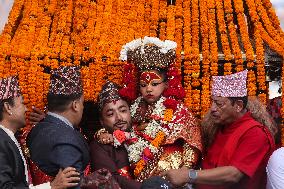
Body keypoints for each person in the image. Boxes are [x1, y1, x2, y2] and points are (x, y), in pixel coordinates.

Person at [98, 36, 202, 182]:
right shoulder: (134, 108)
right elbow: (121, 128)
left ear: (166, 84)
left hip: (172, 176)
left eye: (154, 84)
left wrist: (185, 170)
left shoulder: (177, 110)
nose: (148, 89)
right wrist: (102, 133)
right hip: (140, 174)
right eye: (143, 85)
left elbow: (192, 141)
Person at [162, 70, 276, 189]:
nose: (212, 109)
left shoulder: (255, 133)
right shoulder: (219, 127)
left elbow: (233, 175)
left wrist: (188, 175)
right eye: (213, 102)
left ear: (238, 106)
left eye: (219, 104)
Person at [0, 75, 80, 188]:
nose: (26, 109)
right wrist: (52, 186)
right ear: (8, 108)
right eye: (22, 103)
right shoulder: (1, 142)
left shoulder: (9, 139)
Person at [26, 66, 89, 188]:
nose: (83, 108)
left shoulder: (37, 129)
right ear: (75, 105)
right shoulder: (66, 141)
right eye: (82, 103)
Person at [89, 81, 142, 189]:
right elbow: (111, 179)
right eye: (110, 114)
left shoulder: (143, 134)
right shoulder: (99, 146)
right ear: (102, 121)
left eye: (123, 110)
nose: (119, 118)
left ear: (130, 112)